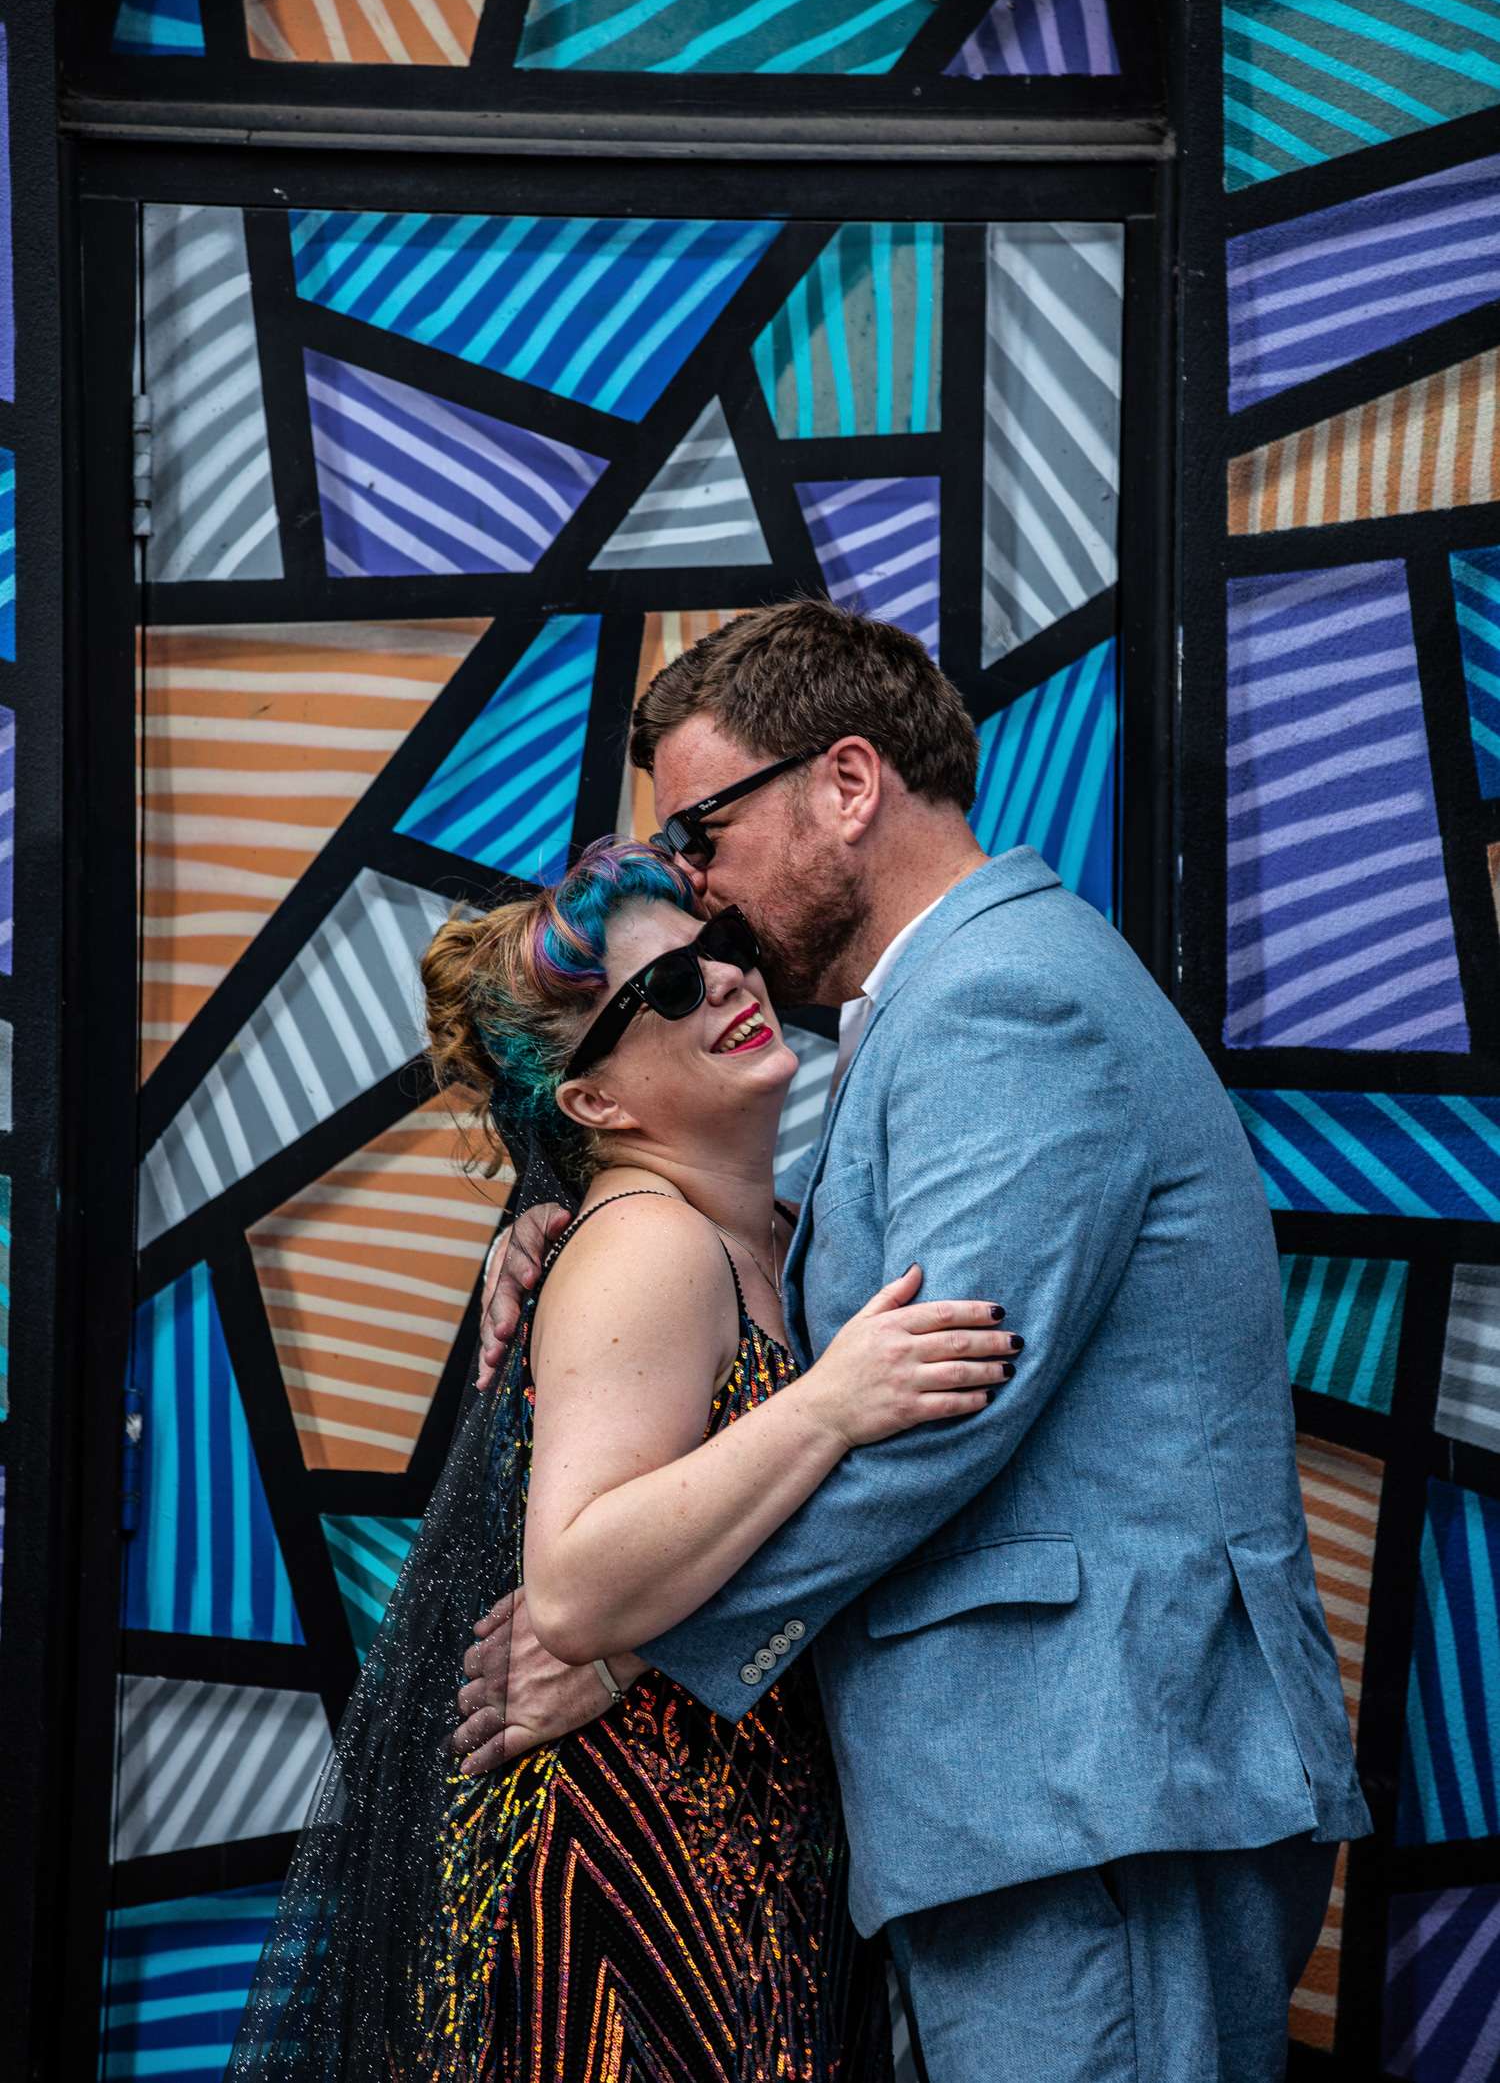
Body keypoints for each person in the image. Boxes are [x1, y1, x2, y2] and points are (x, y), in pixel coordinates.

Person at [465, 602, 1371, 2083]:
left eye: (705, 830)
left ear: (846, 782)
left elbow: (943, 1406)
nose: (701, 884)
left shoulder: (999, 999)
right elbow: (873, 1310)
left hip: (1089, 1779)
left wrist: (638, 1646)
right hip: (1044, 1792)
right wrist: (588, 1222)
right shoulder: (948, 999)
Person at [231, 835, 1015, 2082]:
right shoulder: (646, 1245)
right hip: (624, 1874)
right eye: (668, 988)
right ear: (594, 1105)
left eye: (720, 948)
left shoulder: (777, 1233)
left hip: (736, 1851)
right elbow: (577, 1585)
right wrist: (828, 1407)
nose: (727, 981)